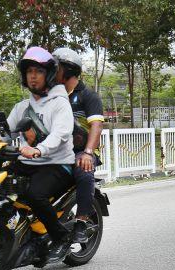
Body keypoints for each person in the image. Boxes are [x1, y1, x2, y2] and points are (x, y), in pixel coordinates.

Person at [5, 46, 75, 263]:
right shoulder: (22, 107)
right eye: (29, 72)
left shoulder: (60, 104)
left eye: (38, 71)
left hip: (57, 164)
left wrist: (39, 149)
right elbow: (5, 132)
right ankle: (15, 232)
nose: (33, 76)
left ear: (49, 75)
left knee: (35, 194)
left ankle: (61, 238)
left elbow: (60, 134)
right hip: (29, 162)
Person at [52, 47, 104, 244]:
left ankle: (81, 221)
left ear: (69, 71)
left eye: (55, 69)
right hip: (54, 151)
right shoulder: (51, 96)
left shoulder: (88, 96)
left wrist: (88, 153)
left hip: (79, 152)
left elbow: (96, 126)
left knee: (83, 169)